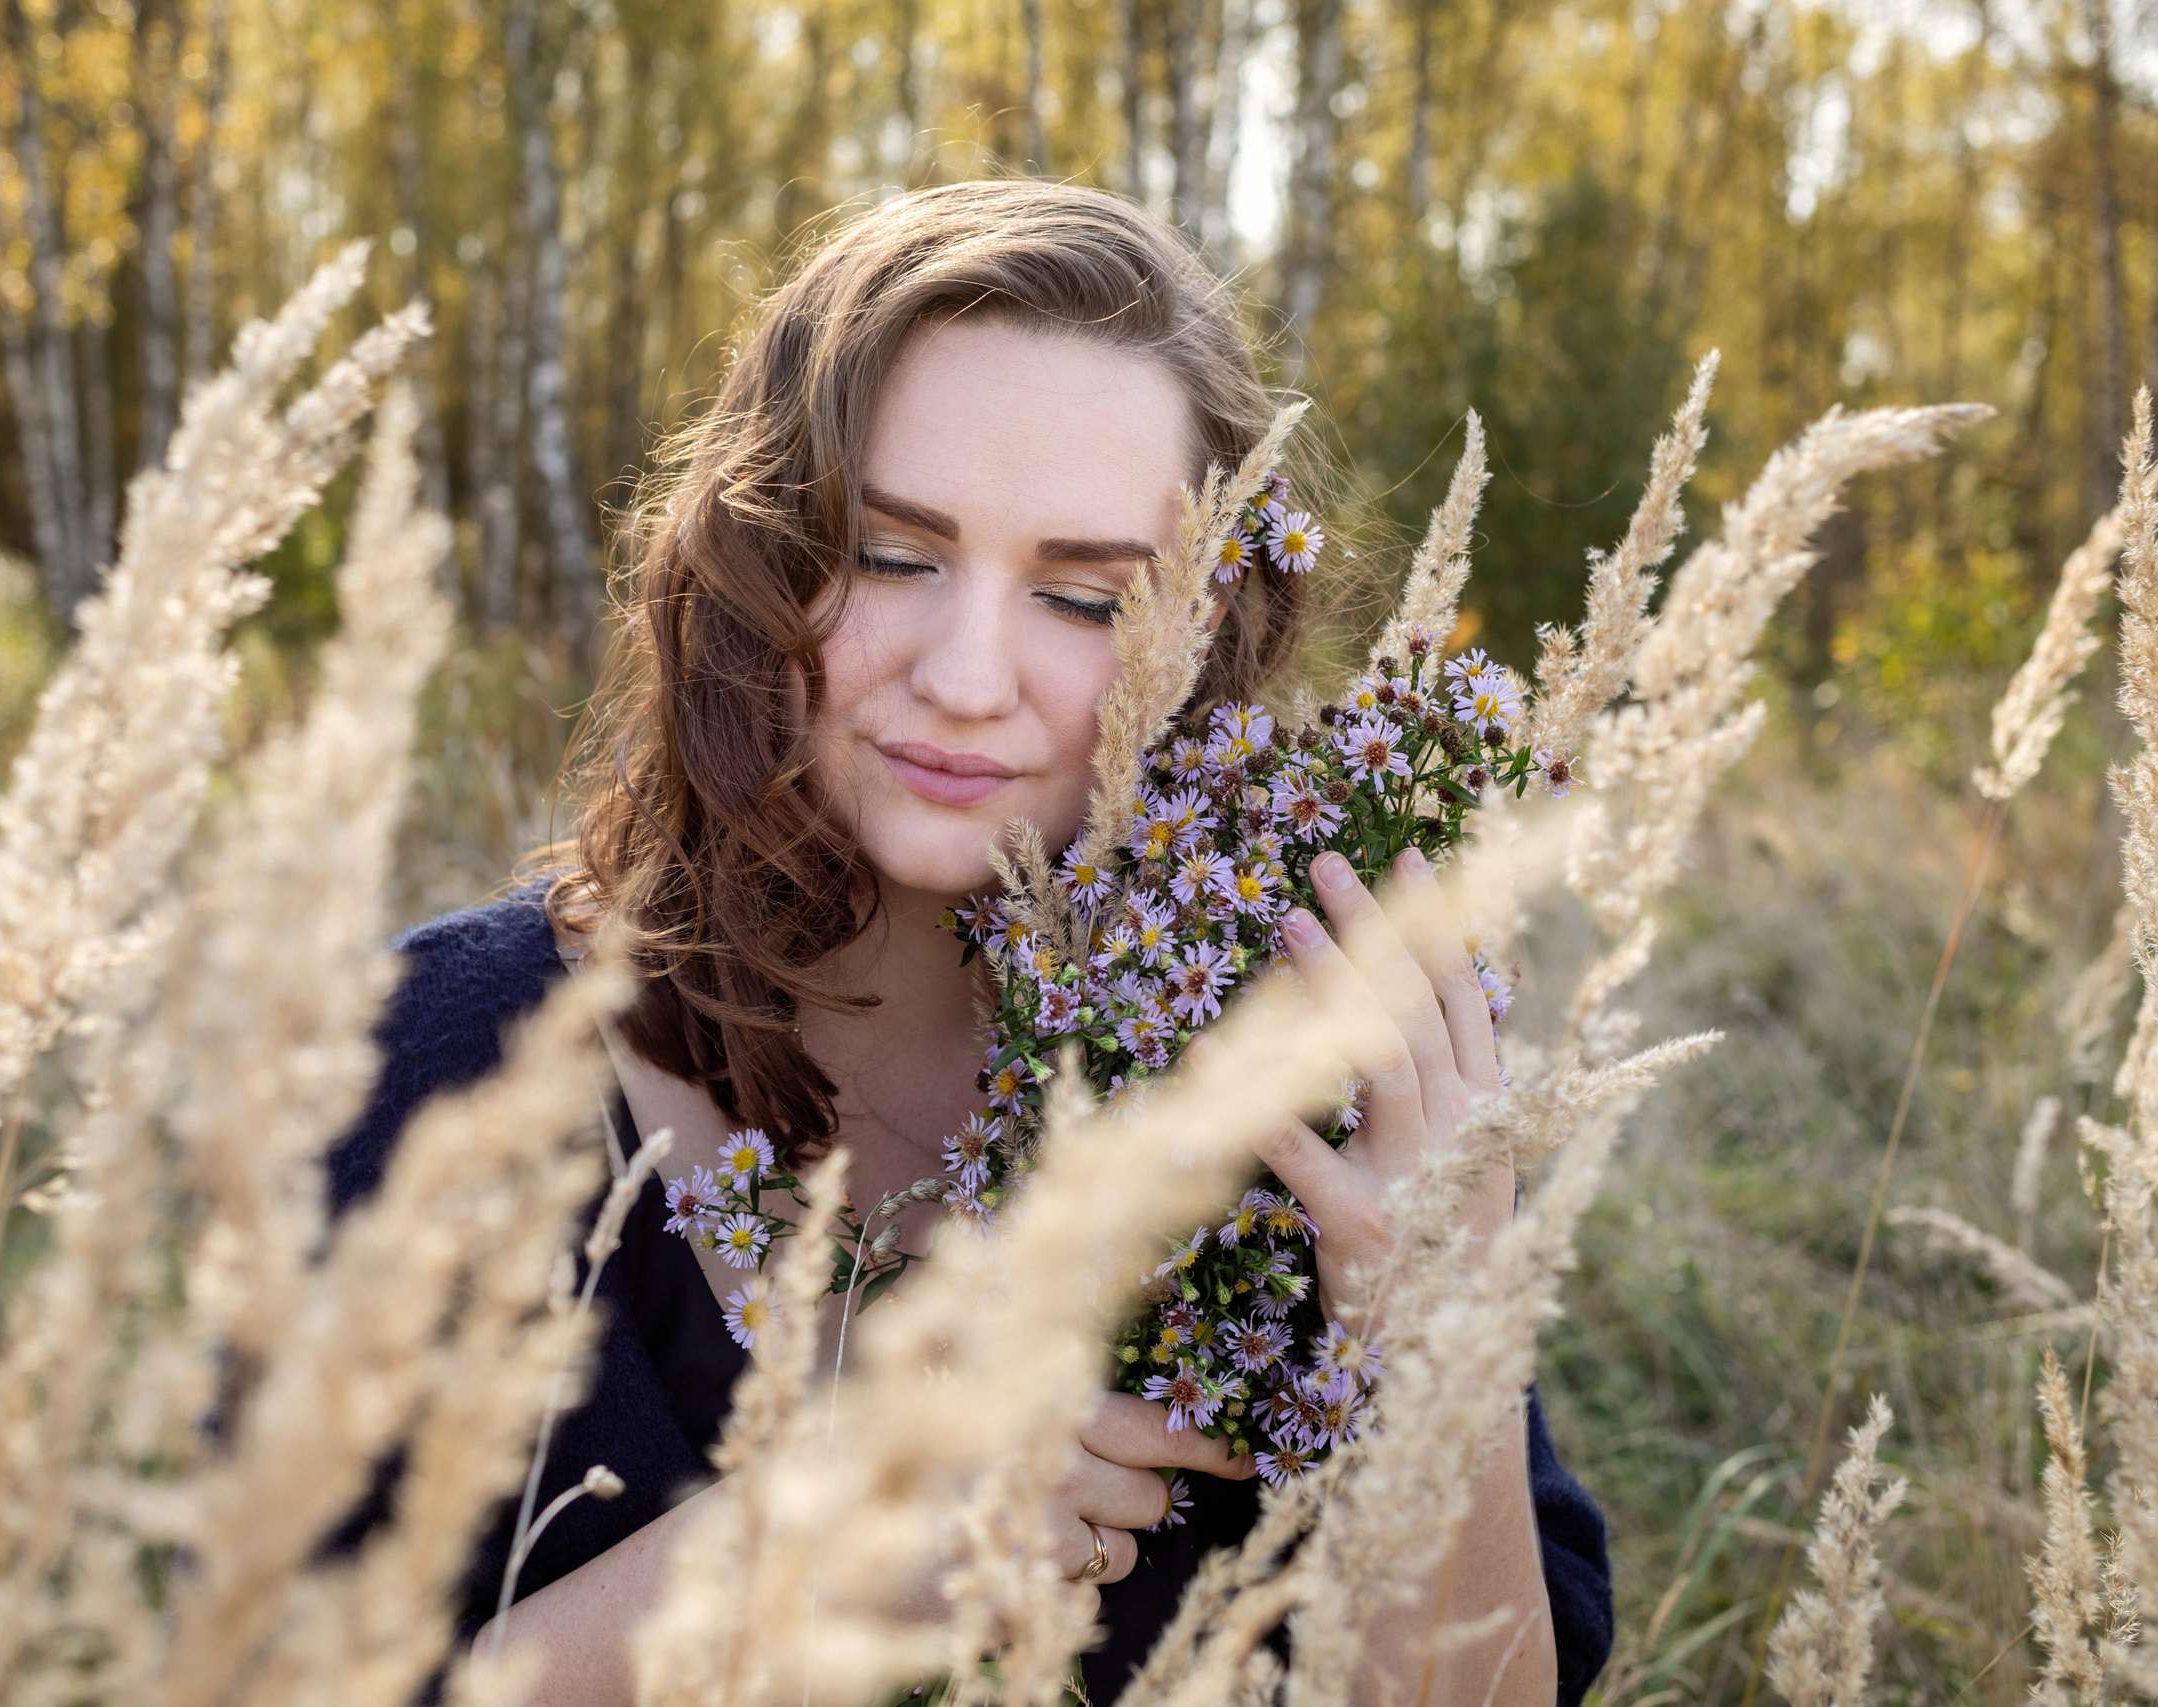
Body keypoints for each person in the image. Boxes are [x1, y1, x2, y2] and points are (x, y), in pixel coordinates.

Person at [326, 178, 1612, 1706]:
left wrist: (1438, 1322)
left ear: (1206, 639)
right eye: (892, 554)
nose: (968, 676)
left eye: (1084, 597)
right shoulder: (444, 1070)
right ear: (759, 552)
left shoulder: (1308, 1082)